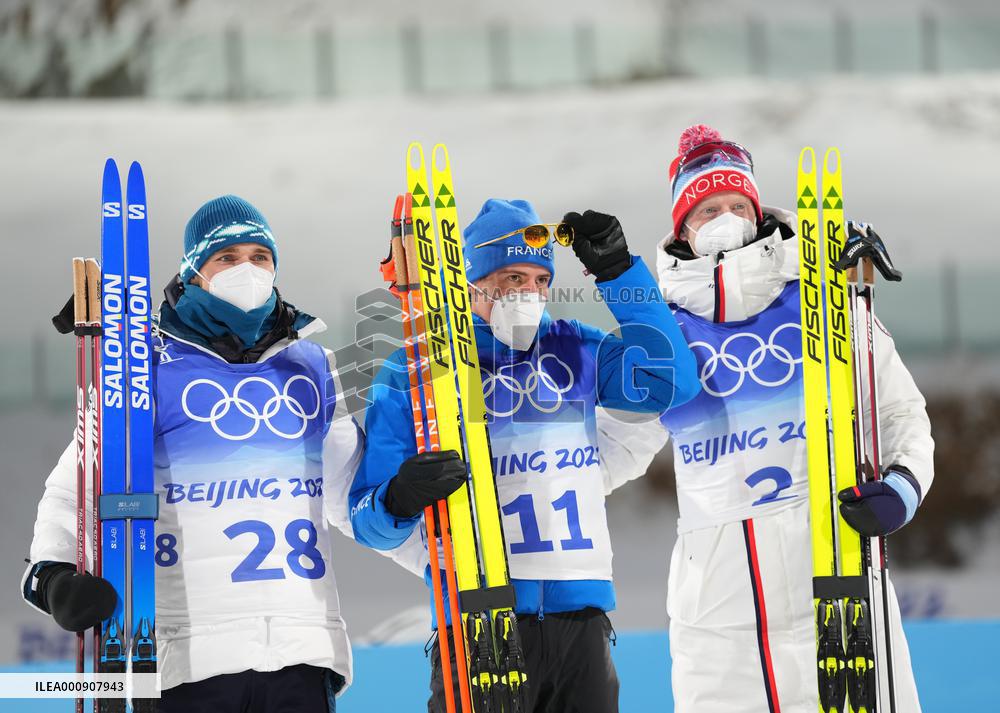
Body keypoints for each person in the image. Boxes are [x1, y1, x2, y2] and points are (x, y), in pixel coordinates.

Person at [349, 198, 701, 713]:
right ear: (470, 283)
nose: (528, 293)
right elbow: (369, 523)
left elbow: (672, 384)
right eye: (512, 278)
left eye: (540, 280)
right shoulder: (414, 373)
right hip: (476, 622)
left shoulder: (574, 348)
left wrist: (617, 273)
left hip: (582, 622)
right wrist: (399, 498)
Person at [22, 195, 368, 712]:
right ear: (193, 272)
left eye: (260, 257)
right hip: (185, 658)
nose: (246, 270)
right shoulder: (140, 367)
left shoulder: (313, 366)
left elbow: (352, 496)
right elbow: (75, 486)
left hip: (301, 650)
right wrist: (49, 575)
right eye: (226, 258)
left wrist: (438, 555)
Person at [646, 125, 934, 712]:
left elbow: (901, 410)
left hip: (838, 590)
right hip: (717, 626)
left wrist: (903, 487)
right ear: (683, 228)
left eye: (735, 205)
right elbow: (604, 450)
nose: (725, 218)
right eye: (707, 210)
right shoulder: (660, 333)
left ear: (757, 212)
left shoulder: (821, 302)